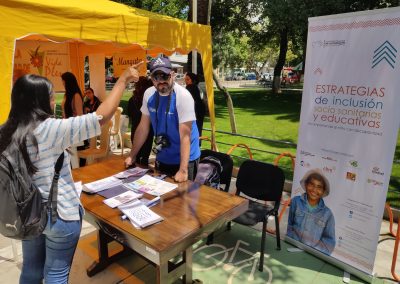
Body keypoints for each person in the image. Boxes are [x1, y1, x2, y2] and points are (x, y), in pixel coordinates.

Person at [0, 64, 141, 284]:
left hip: (27, 213)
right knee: (56, 274)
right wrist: (122, 80)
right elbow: (100, 118)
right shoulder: (49, 129)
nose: (53, 101)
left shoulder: (5, 131)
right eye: (50, 96)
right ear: (38, 101)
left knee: (31, 270)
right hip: (59, 216)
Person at [125, 57, 200, 182]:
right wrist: (132, 156)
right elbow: (143, 128)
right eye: (156, 77)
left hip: (185, 158)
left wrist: (183, 170)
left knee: (183, 199)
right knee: (161, 198)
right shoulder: (149, 94)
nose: (161, 81)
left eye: (164, 76)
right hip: (163, 155)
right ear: (151, 78)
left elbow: (185, 136)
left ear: (172, 75)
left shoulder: (183, 96)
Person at [287, 169, 336, 255]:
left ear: (323, 191)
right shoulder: (295, 202)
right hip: (291, 247)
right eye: (311, 184)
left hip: (313, 255)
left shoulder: (328, 214)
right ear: (306, 185)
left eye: (319, 187)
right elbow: (289, 224)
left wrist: (315, 252)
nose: (314, 189)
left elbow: (329, 241)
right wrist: (289, 238)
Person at [127, 76, 154, 165]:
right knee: (145, 157)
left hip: (135, 129)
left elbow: (129, 114)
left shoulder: (132, 99)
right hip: (149, 130)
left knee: (136, 156)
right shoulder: (150, 100)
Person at [184, 72, 206, 138]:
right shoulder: (196, 87)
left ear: (193, 80)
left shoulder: (190, 87)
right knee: (198, 128)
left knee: (193, 130)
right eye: (185, 79)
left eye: (188, 79)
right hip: (200, 110)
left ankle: (195, 144)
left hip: (195, 111)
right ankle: (198, 144)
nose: (186, 81)